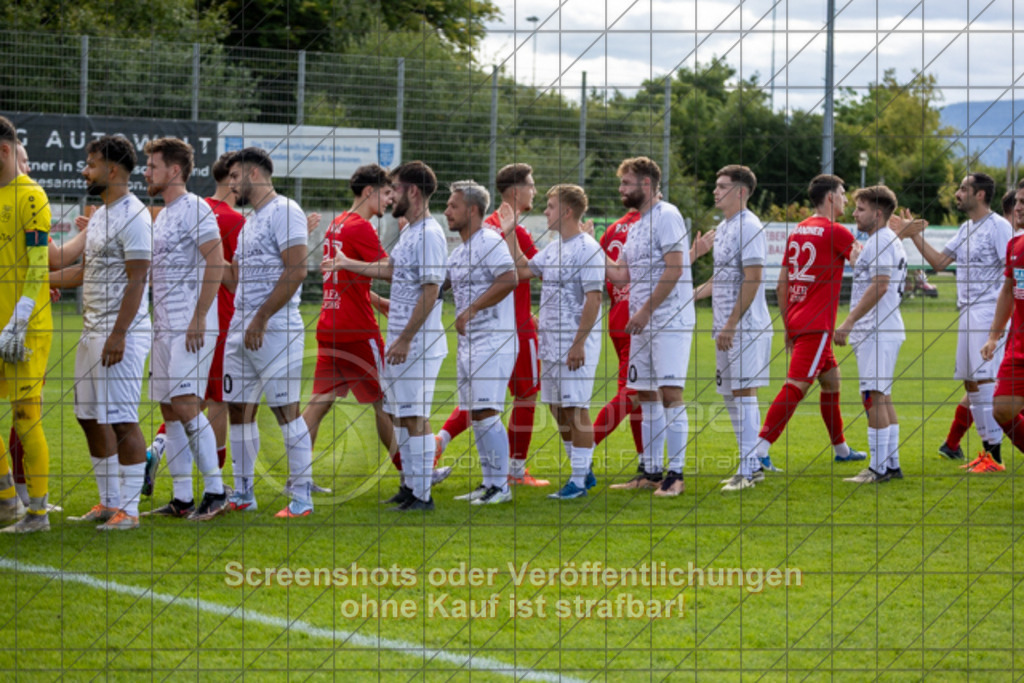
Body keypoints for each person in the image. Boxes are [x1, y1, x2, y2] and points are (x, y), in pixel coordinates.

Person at [323, 161, 448, 511]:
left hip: (418, 345)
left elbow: (431, 290)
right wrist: (348, 263)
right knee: (400, 415)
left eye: (395, 187)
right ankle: (410, 486)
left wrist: (406, 338)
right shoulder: (411, 231)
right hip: (402, 343)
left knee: (414, 417)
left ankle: (422, 496)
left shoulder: (430, 234)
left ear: (413, 190)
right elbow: (391, 270)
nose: (390, 194)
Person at [51, 134, 153, 531]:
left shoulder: (134, 215)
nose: (84, 170)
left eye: (91, 164)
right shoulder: (101, 214)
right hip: (91, 331)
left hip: (119, 334)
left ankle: (130, 509)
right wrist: (35, 281)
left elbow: (137, 280)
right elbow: (83, 272)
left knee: (123, 419)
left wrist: (119, 334)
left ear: (112, 170)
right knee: (89, 417)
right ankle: (109, 502)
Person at [435, 163, 546, 486]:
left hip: (487, 331)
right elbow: (531, 271)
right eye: (531, 185)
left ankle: (441, 440)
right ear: (515, 190)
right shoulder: (510, 232)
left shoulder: (487, 229)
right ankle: (513, 471)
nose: (534, 191)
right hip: (515, 329)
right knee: (523, 397)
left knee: (480, 403)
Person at [303, 164, 413, 491]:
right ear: (369, 192)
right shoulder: (361, 228)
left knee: (317, 405)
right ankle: (412, 473)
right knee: (385, 402)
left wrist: (377, 301)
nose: (390, 200)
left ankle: (300, 478)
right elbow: (389, 269)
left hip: (330, 324)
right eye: (386, 193)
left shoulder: (336, 224)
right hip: (356, 329)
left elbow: (345, 279)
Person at [222, 147, 314, 517]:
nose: (230, 185)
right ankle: (244, 492)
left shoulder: (286, 211)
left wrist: (260, 318)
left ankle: (303, 498)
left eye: (234, 177)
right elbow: (235, 279)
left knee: (285, 411)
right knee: (238, 410)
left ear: (254, 174)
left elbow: (298, 270)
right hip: (240, 329)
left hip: (274, 328)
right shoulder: (249, 223)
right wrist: (209, 257)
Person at [139, 137, 227, 521]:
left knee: (188, 405)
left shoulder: (195, 207)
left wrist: (200, 316)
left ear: (174, 170)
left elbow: (217, 262)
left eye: (153, 167)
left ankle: (216, 492)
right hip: (165, 326)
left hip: (190, 324)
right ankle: (182, 498)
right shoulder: (164, 213)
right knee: (169, 409)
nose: (146, 173)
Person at [752, 174, 865, 469]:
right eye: (842, 193)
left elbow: (782, 284)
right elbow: (864, 263)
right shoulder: (836, 231)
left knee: (831, 382)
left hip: (799, 320)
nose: (845, 199)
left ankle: (841, 449)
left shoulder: (798, 230)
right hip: (817, 325)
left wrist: (789, 327)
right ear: (829, 197)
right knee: (796, 386)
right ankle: (759, 449)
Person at [903, 173, 1013, 472]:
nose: (957, 193)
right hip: (966, 311)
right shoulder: (965, 227)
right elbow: (939, 263)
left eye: (963, 188)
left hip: (989, 310)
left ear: (980, 194)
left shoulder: (999, 227)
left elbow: (1012, 272)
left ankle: (994, 455)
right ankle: (987, 453)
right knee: (970, 381)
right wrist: (913, 234)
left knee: (986, 379)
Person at [503, 184, 604, 499]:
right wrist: (509, 231)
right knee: (558, 407)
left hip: (574, 343)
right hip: (550, 342)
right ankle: (583, 471)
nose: (545, 211)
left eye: (550, 206)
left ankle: (577, 480)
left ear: (567, 211)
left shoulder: (587, 248)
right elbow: (521, 270)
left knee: (576, 408)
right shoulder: (556, 246)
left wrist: (578, 343)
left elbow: (594, 298)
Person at [604, 156, 694, 497]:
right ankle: (652, 471)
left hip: (668, 319)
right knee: (645, 394)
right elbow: (621, 274)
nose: (621, 189)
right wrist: (587, 249)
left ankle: (677, 475)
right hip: (643, 322)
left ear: (646, 184)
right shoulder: (638, 224)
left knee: (671, 393)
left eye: (626, 183)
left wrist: (643, 311)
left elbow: (675, 269)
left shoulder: (667, 215)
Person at [693, 165, 773, 491]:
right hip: (726, 327)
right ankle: (749, 463)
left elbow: (753, 279)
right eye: (716, 184)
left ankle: (749, 469)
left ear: (740, 192)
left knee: (743, 394)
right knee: (730, 395)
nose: (715, 191)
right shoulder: (725, 227)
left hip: (745, 327)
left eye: (722, 186)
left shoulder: (750, 226)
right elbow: (721, 279)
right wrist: (688, 296)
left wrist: (731, 324)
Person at [442, 179, 520, 505]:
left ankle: (501, 486)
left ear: (472, 211)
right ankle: (489, 482)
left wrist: (473, 308)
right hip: (470, 344)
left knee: (487, 412)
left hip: (494, 340)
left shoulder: (489, 240)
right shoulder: (459, 251)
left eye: (453, 206)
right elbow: (439, 285)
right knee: (476, 413)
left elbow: (510, 278)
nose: (447, 211)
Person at [0, 116, 54, 533]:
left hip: (26, 327)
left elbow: (39, 261)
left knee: (24, 414)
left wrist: (20, 316)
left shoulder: (32, 196)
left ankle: (37, 513)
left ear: (4, 151)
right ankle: (5, 499)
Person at [835, 185, 908, 483]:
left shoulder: (880, 242)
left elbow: (880, 285)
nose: (854, 213)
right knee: (882, 396)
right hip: (884, 329)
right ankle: (890, 465)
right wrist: (857, 263)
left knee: (873, 396)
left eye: (861, 208)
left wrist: (848, 321)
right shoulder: (884, 240)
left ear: (878, 214)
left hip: (877, 330)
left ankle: (877, 469)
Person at [983, 181, 1024, 456]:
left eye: (1023, 203)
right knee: (1002, 409)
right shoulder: (1015, 244)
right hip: (1018, 345)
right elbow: (1008, 292)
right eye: (1018, 202)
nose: (1018, 208)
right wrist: (994, 336)